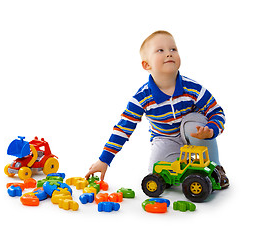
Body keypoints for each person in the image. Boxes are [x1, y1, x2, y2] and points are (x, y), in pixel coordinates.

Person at [85, 30, 229, 188]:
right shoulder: (142, 97)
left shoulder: (193, 89)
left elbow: (216, 111)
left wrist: (211, 129)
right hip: (165, 139)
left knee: (192, 123)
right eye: (161, 50)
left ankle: (215, 168)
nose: (169, 54)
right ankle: (183, 169)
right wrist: (104, 160)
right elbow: (123, 129)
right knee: (156, 171)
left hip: (194, 135)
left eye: (173, 49)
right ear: (146, 65)